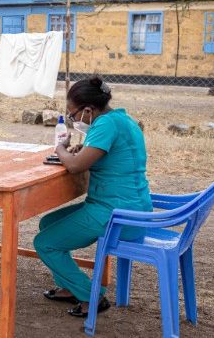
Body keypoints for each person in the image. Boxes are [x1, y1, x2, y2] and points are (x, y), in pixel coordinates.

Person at [33, 76, 152, 317]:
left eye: (73, 114)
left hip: (116, 214)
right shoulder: (121, 119)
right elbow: (104, 155)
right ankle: (69, 286)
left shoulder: (105, 125)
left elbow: (76, 167)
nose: (72, 120)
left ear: (88, 110)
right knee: (48, 224)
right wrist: (82, 150)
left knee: (44, 243)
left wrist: (60, 149)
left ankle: (92, 296)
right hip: (134, 207)